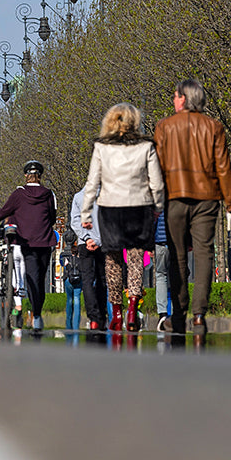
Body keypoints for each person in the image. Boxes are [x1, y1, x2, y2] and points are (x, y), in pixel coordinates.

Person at [154, 79, 231, 341]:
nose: (173, 100)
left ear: (183, 99)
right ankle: (199, 314)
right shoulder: (214, 127)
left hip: (174, 198)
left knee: (177, 256)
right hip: (207, 198)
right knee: (204, 254)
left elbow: (156, 167)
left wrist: (154, 202)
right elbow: (223, 167)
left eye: (175, 96)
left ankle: (178, 315)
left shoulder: (164, 127)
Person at [76, 103, 166, 333]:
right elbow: (156, 182)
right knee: (135, 262)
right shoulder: (146, 145)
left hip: (111, 210)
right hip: (138, 209)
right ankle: (133, 309)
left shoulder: (102, 147)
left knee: (113, 263)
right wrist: (157, 207)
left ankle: (116, 313)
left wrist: (86, 213)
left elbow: (92, 183)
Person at [0, 161, 58, 332]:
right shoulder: (49, 194)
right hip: (44, 242)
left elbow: (3, 212)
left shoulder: (19, 194)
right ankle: (37, 315)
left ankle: (32, 314)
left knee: (31, 278)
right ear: (40, 176)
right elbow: (53, 217)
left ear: (25, 176)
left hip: (27, 242)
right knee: (40, 279)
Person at [67, 183, 108, 330]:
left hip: (84, 244)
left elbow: (75, 221)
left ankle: (93, 317)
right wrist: (98, 240)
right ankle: (102, 316)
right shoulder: (106, 196)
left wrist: (86, 238)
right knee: (102, 279)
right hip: (102, 243)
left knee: (87, 280)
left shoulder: (78, 197)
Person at [151, 210, 171, 332]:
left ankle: (162, 314)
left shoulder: (157, 194)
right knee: (176, 277)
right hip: (177, 240)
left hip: (160, 241)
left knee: (160, 276)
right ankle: (175, 314)